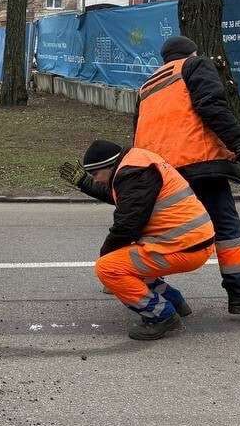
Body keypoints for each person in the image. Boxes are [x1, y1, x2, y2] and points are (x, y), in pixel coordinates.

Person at [133, 35, 240, 315]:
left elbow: (138, 132)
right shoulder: (194, 65)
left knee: (161, 230)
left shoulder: (148, 84)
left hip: (159, 171)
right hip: (198, 164)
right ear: (192, 52)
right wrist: (238, 140)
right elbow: (211, 104)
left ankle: (149, 285)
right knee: (225, 226)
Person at [61, 140, 215, 341]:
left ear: (109, 166)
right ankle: (174, 300)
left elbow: (127, 225)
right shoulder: (135, 164)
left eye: (95, 175)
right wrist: (84, 183)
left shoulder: (133, 173)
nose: (96, 180)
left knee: (108, 268)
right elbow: (123, 197)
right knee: (128, 260)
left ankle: (162, 316)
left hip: (182, 246)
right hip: (189, 241)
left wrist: (106, 255)